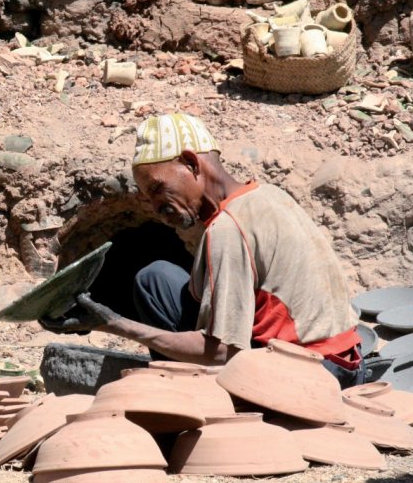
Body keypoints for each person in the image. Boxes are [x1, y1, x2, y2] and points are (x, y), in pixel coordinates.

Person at [41, 113, 365, 387]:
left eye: (157, 188)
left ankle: (189, 406)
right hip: (349, 363)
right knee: (156, 280)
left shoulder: (229, 227)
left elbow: (222, 352)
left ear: (191, 163)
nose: (155, 207)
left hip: (311, 375)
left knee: (198, 357)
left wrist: (112, 324)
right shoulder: (268, 196)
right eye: (147, 196)